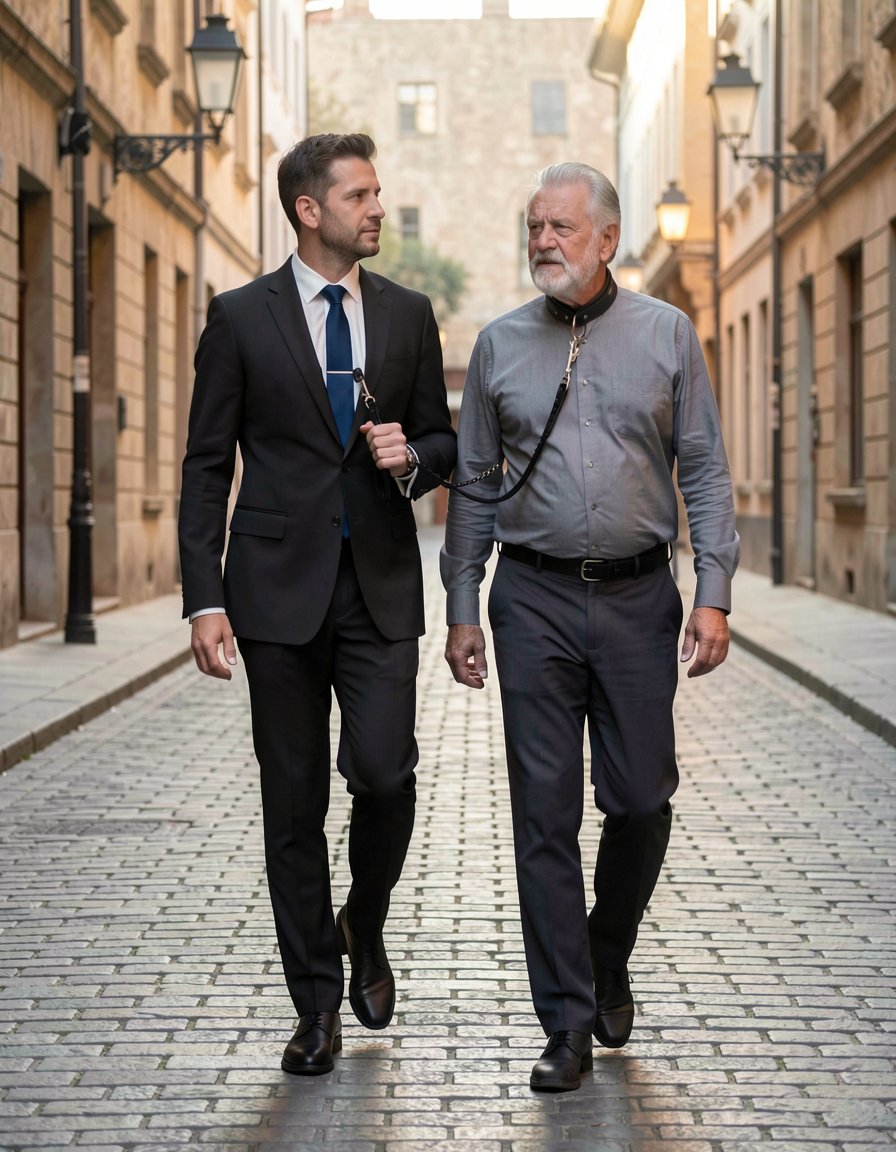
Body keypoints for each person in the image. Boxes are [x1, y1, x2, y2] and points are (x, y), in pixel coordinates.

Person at [441, 162, 739, 1093]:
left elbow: (704, 468)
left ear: (607, 238)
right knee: (543, 814)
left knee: (642, 799)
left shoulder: (667, 335)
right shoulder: (496, 346)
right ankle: (565, 1021)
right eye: (534, 226)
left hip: (639, 598)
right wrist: (461, 605)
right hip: (529, 603)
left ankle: (606, 952)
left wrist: (715, 590)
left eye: (561, 227)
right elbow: (477, 488)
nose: (543, 242)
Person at [178, 133, 456, 1076]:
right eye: (362, 195)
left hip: (379, 587)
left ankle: (363, 921)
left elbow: (443, 442)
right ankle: (316, 1005)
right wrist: (202, 600)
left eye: (379, 194)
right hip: (272, 596)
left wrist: (412, 459)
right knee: (290, 803)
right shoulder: (240, 317)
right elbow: (207, 466)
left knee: (384, 773)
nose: (379, 209)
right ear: (310, 209)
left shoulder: (411, 315)